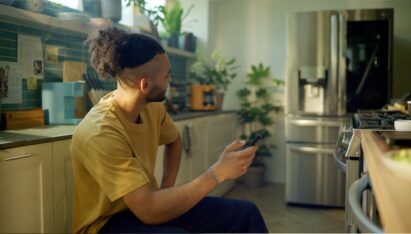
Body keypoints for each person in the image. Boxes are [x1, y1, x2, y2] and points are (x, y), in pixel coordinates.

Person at [70, 26, 268, 234]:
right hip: (106, 224)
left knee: (246, 213)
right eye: (167, 76)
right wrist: (217, 173)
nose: (170, 81)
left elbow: (175, 141)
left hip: (144, 206)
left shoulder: (152, 107)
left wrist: (166, 189)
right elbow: (149, 211)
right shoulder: (100, 133)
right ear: (145, 84)